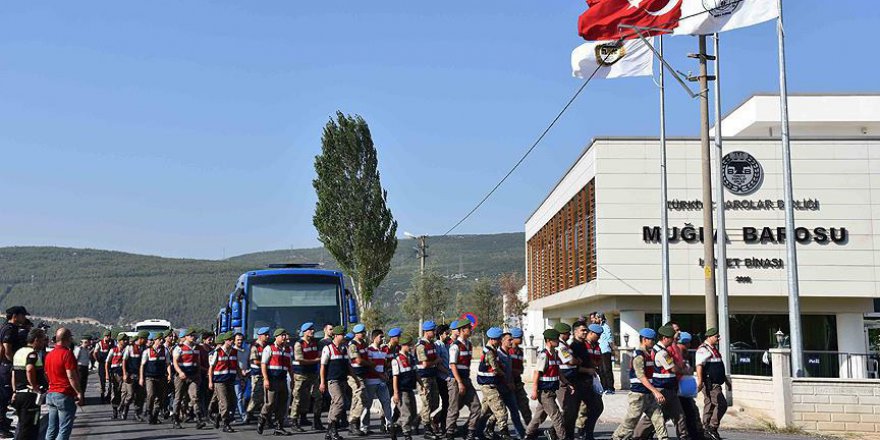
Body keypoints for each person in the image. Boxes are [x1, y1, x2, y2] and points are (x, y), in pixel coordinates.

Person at [611, 328, 668, 440]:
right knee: (630, 422)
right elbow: (641, 376)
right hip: (638, 395)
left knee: (659, 419)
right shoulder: (639, 355)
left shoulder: (648, 354)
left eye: (653, 339)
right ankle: (616, 438)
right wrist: (656, 392)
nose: (653, 341)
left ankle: (664, 438)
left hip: (649, 395)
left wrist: (653, 391)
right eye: (651, 339)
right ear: (644, 339)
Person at [645, 325, 690, 440]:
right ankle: (637, 435)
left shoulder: (660, 350)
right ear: (665, 338)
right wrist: (684, 370)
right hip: (662, 388)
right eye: (671, 338)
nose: (673, 340)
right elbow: (673, 368)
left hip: (669, 388)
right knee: (653, 417)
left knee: (679, 415)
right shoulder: (661, 352)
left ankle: (683, 437)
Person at [525, 328, 566, 440]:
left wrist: (567, 383)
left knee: (539, 416)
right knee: (556, 416)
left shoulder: (555, 354)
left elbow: (558, 371)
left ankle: (529, 434)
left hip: (551, 390)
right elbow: (537, 373)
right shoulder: (544, 355)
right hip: (544, 392)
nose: (558, 341)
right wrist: (534, 390)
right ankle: (562, 437)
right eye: (555, 339)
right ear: (548, 340)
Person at [44, 327, 83, 440]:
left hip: (51, 393)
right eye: (70, 338)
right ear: (67, 339)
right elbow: (71, 376)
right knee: (64, 429)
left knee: (51, 428)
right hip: (64, 394)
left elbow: (45, 374)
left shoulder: (49, 355)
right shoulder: (67, 354)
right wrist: (79, 392)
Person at [568, 322, 604, 440]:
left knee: (597, 407)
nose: (585, 332)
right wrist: (587, 369)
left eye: (585, 330)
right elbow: (572, 364)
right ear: (575, 332)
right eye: (583, 330)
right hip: (576, 382)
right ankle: (556, 431)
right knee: (572, 413)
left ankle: (588, 434)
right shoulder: (573, 346)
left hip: (588, 382)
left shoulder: (586, 345)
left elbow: (594, 360)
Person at [445, 319, 480, 440]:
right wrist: (459, 382)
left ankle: (469, 432)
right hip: (455, 381)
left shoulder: (469, 345)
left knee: (476, 407)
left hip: (466, 379)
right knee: (454, 409)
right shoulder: (455, 346)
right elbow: (453, 365)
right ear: (461, 331)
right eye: (468, 328)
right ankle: (449, 433)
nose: (470, 330)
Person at [11, 328, 48, 440]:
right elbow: (30, 369)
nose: (44, 343)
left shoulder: (18, 352)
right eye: (42, 340)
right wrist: (35, 386)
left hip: (19, 394)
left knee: (23, 426)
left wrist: (14, 391)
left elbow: (13, 374)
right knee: (30, 428)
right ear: (36, 340)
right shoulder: (32, 354)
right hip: (30, 395)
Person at [0, 306, 30, 435]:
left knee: (5, 398)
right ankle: (1, 428)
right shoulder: (10, 329)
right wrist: (15, 364)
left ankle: (4, 425)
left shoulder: (7, 327)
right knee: (4, 398)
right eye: (23, 315)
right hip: (7, 367)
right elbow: (7, 349)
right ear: (15, 316)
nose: (24, 318)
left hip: (5, 366)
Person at [696, 328, 730, 440]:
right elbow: (699, 366)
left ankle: (706, 429)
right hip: (710, 383)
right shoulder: (703, 350)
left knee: (710, 405)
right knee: (721, 404)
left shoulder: (713, 349)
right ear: (709, 337)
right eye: (716, 336)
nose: (718, 338)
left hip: (716, 382)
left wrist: (726, 381)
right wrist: (700, 382)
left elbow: (718, 367)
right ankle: (712, 427)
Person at [476, 327, 510, 440]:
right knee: (501, 410)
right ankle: (504, 433)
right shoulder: (490, 352)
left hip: (489, 384)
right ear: (492, 339)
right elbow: (495, 369)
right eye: (499, 339)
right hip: (489, 385)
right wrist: (504, 373)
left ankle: (477, 430)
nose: (501, 341)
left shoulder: (490, 349)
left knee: (486, 411)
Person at [321, 325, 353, 440]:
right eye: (342, 335)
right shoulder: (328, 348)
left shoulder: (345, 349)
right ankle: (334, 430)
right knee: (340, 403)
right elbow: (323, 367)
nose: (344, 336)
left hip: (343, 380)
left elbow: (348, 366)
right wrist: (322, 382)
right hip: (333, 381)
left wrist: (354, 378)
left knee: (334, 404)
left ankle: (329, 432)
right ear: (335, 336)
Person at [260, 328, 293, 436]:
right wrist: (266, 379)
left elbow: (290, 367)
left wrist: (292, 379)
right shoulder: (269, 348)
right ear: (276, 337)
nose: (284, 338)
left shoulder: (288, 350)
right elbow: (263, 364)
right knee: (270, 403)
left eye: (285, 335)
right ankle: (262, 419)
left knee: (283, 404)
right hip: (272, 380)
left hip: (283, 379)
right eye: (282, 335)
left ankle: (279, 427)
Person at [291, 322, 323, 432]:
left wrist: (317, 360)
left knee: (316, 396)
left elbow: (319, 355)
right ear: (304, 332)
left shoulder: (315, 343)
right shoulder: (299, 344)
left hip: (313, 373)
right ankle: (294, 421)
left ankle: (315, 420)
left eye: (313, 329)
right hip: (301, 374)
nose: (313, 331)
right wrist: (316, 360)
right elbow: (300, 360)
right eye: (310, 330)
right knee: (298, 397)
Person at [172, 328, 206, 430]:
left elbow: (198, 362)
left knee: (194, 397)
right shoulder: (179, 347)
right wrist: (180, 372)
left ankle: (199, 420)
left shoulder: (196, 348)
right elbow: (175, 361)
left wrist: (199, 374)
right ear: (186, 336)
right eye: (191, 335)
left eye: (194, 335)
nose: (193, 337)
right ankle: (175, 419)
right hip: (181, 376)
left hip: (193, 376)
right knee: (178, 398)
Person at [209, 332, 242, 432]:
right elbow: (211, 368)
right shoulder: (217, 352)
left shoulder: (235, 352)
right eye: (230, 340)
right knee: (224, 403)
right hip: (220, 381)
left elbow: (236, 366)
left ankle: (218, 416)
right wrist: (210, 381)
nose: (232, 342)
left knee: (233, 402)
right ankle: (226, 424)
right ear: (225, 341)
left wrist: (240, 377)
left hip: (231, 380)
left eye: (233, 339)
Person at [362, 329, 393, 434]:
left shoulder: (384, 350)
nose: (383, 339)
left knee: (387, 402)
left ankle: (389, 424)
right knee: (368, 404)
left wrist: (386, 372)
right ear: (374, 338)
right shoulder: (369, 350)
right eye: (381, 337)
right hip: (371, 381)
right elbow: (370, 367)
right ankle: (364, 427)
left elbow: (385, 365)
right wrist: (380, 375)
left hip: (382, 382)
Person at [416, 321, 442, 439]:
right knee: (426, 403)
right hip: (424, 378)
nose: (435, 332)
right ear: (427, 332)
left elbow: (436, 360)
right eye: (433, 330)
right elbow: (425, 364)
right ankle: (427, 429)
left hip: (433, 376)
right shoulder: (421, 346)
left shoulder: (432, 344)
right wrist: (436, 361)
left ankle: (417, 420)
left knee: (435, 402)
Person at [347, 323, 372, 436]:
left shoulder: (364, 344)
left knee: (357, 400)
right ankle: (353, 422)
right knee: (362, 399)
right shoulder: (353, 345)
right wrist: (370, 364)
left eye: (364, 332)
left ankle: (353, 424)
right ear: (356, 334)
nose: (364, 334)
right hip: (354, 375)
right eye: (362, 333)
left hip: (363, 374)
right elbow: (358, 361)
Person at [140, 331, 170, 425]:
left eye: (162, 339)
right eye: (159, 339)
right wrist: (141, 378)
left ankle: (155, 415)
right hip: (150, 377)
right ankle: (149, 413)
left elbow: (168, 364)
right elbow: (142, 365)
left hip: (161, 377)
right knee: (151, 394)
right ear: (155, 340)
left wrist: (169, 374)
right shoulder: (147, 351)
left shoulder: (165, 351)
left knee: (160, 397)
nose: (161, 341)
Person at [392, 335, 418, 440]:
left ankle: (395, 426)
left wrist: (421, 385)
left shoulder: (411, 358)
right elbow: (395, 377)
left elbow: (416, 373)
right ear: (404, 345)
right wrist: (396, 393)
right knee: (406, 413)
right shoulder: (397, 360)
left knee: (413, 413)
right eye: (409, 345)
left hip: (410, 389)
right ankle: (407, 435)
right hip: (402, 391)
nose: (411, 347)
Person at [121, 331, 149, 421]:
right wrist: (125, 373)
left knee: (140, 395)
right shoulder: (130, 348)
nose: (147, 340)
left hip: (141, 375)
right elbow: (124, 361)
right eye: (145, 339)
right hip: (131, 375)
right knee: (130, 394)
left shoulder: (145, 348)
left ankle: (137, 413)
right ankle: (125, 408)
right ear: (141, 339)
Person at [245, 326, 270, 425]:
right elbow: (254, 360)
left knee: (265, 396)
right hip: (257, 374)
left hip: (265, 373)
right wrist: (266, 363)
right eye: (265, 335)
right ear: (260, 336)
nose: (268, 336)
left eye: (268, 334)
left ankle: (263, 415)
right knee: (256, 395)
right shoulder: (255, 346)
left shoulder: (266, 346)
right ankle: (248, 413)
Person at [508, 328, 531, 426]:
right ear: (513, 338)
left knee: (524, 404)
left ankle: (531, 428)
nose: (521, 339)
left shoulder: (520, 351)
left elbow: (521, 366)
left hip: (518, 382)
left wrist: (520, 370)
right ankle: (490, 426)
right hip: (508, 382)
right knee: (500, 409)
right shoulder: (508, 351)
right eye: (519, 337)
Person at [434, 324, 452, 434]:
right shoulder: (438, 345)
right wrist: (449, 372)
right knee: (446, 403)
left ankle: (439, 421)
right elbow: (438, 364)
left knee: (449, 403)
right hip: (442, 378)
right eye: (446, 333)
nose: (448, 335)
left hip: (449, 378)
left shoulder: (447, 345)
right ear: (440, 334)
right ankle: (441, 424)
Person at [106, 333, 128, 420]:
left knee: (125, 392)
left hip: (124, 374)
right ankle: (115, 411)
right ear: (119, 341)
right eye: (124, 340)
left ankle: (121, 408)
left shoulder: (127, 350)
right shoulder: (113, 350)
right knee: (115, 392)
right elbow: (107, 363)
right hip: (115, 374)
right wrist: (107, 374)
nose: (125, 342)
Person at [595, 313, 616, 394]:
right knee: (601, 370)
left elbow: (610, 339)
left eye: (596, 318)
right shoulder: (597, 328)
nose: (595, 320)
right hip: (599, 351)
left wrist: (613, 349)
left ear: (600, 318)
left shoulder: (605, 327)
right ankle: (604, 387)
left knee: (607, 369)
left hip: (605, 350)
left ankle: (610, 387)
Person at [232, 332, 250, 424]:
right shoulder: (233, 350)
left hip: (246, 375)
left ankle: (247, 413)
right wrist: (240, 373)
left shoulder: (247, 349)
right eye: (238, 340)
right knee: (238, 396)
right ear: (234, 341)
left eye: (241, 339)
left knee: (247, 396)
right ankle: (243, 416)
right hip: (236, 376)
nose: (240, 341)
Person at [91, 330, 114, 403]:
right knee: (102, 380)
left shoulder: (113, 342)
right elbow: (94, 353)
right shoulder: (99, 344)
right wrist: (98, 360)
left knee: (111, 380)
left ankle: (109, 395)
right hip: (102, 364)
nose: (109, 337)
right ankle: (102, 394)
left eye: (109, 336)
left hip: (110, 364)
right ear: (104, 336)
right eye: (107, 336)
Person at [72, 336, 92, 402]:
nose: (87, 343)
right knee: (80, 384)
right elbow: (75, 359)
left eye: (88, 342)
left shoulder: (87, 349)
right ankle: (79, 398)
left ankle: (82, 397)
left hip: (85, 368)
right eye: (85, 342)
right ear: (82, 342)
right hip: (80, 368)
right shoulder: (79, 349)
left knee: (84, 384)